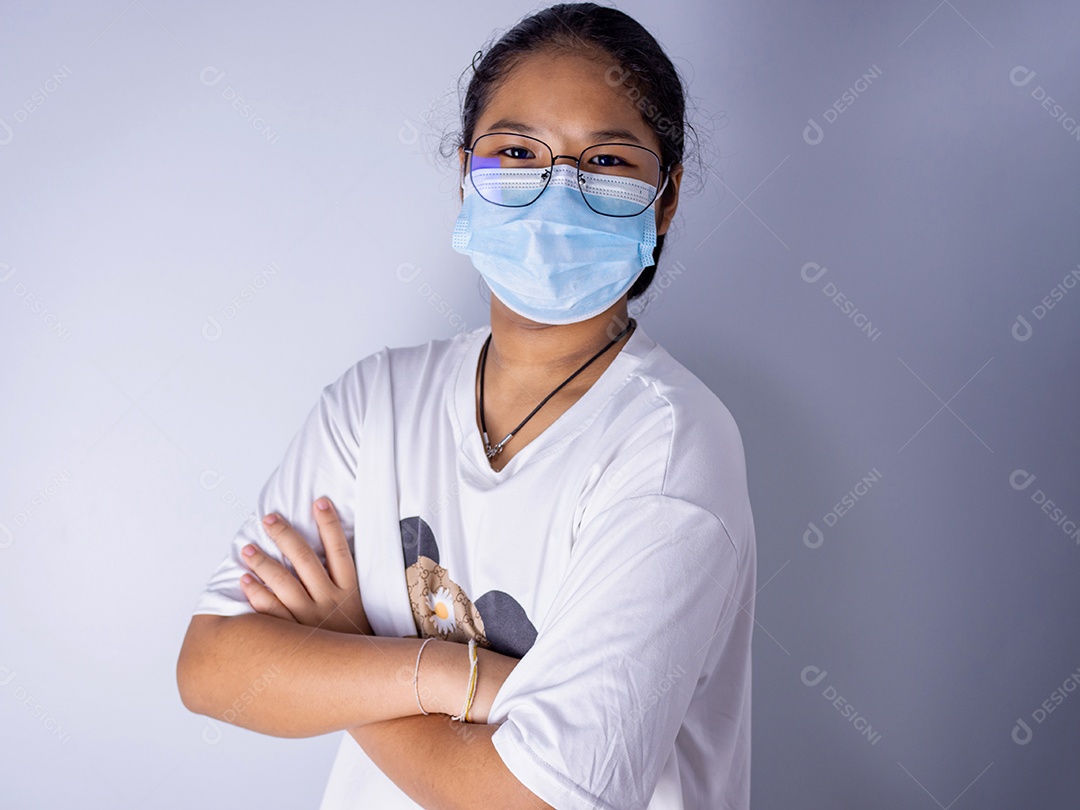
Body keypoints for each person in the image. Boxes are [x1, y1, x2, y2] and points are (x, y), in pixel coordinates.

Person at [176, 3, 756, 809]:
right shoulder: (375, 402)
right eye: (517, 151)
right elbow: (214, 668)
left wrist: (349, 654)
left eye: (608, 161)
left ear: (665, 199)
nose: (559, 192)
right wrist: (455, 675)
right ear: (465, 174)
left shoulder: (669, 453)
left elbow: (534, 802)